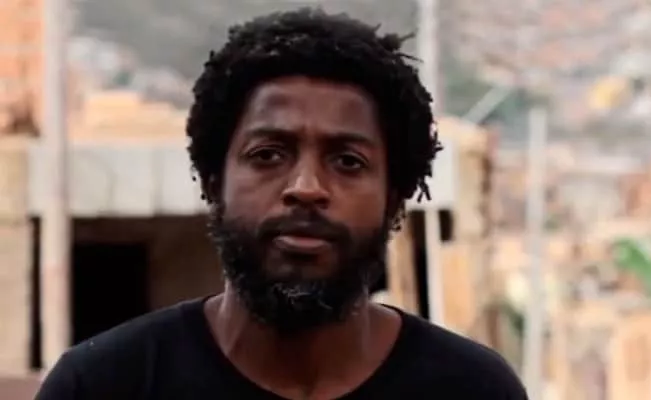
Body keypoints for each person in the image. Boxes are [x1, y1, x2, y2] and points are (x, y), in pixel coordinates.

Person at [36, 8, 527, 400]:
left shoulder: (473, 389)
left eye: (348, 161)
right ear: (213, 181)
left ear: (394, 197)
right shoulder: (101, 386)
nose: (306, 187)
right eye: (268, 154)